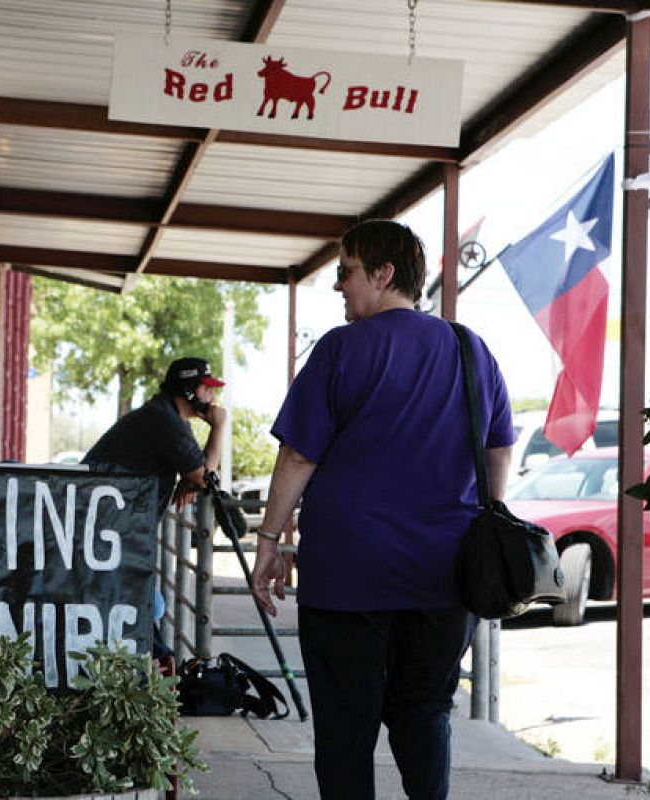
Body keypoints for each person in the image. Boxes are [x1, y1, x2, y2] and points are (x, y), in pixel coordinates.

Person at [250, 220, 514, 800]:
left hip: (348, 578)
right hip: (444, 579)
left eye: (345, 273)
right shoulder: (472, 350)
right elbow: (499, 445)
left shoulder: (342, 349)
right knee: (425, 714)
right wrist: (490, 511)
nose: (339, 287)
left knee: (346, 728)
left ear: (383, 273)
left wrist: (268, 542)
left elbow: (298, 455)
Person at [83, 357, 227, 643]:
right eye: (206, 388)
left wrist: (190, 477)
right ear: (188, 390)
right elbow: (205, 477)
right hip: (108, 534)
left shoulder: (164, 416)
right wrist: (219, 427)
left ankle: (148, 664)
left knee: (151, 606)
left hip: (111, 531)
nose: (212, 397)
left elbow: (198, 474)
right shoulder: (166, 421)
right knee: (147, 608)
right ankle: (148, 670)